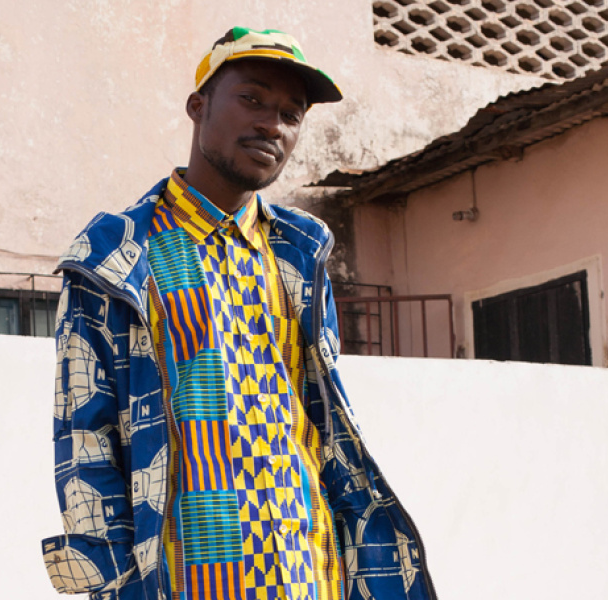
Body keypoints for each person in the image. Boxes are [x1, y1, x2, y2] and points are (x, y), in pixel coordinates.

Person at [41, 27, 437, 600]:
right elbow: (84, 433)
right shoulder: (118, 254)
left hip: (310, 571)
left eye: (291, 114)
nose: (272, 125)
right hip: (191, 578)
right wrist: (110, 579)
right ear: (198, 106)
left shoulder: (300, 254)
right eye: (252, 98)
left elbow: (324, 421)